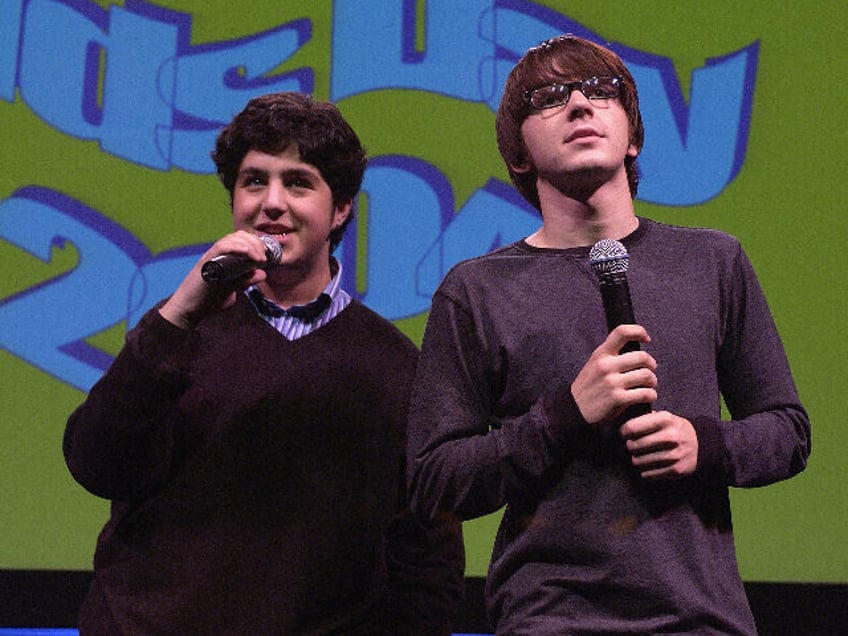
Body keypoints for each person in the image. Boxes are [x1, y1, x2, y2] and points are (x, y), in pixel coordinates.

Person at [406, 35, 810, 635]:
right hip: (550, 617)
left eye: (601, 91)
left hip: (700, 618)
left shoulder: (712, 262)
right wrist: (566, 415)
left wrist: (705, 445)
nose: (578, 105)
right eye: (549, 97)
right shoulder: (478, 291)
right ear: (518, 153)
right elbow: (434, 481)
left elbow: (787, 431)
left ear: (634, 135)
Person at [64, 92, 464, 635]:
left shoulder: (396, 366)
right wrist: (179, 312)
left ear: (340, 207)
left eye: (298, 182)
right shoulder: (177, 332)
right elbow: (97, 465)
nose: (271, 202)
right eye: (254, 181)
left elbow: (427, 559)